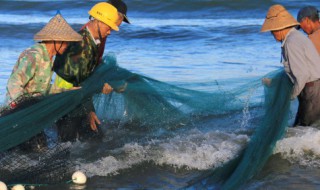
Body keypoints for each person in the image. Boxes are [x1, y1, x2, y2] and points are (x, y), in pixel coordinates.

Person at [5, 12, 82, 151]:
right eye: (66, 42)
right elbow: (14, 83)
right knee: (34, 150)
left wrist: (66, 91)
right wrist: (22, 108)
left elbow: (43, 89)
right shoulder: (34, 55)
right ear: (55, 40)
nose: (68, 46)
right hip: (19, 114)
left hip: (34, 112)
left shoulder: (49, 58)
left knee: (40, 150)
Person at [53, 2, 123, 142]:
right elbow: (79, 82)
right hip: (66, 100)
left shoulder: (91, 41)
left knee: (92, 139)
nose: (109, 32)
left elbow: (86, 76)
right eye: (108, 27)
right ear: (97, 21)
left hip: (76, 98)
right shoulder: (82, 45)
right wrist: (90, 110)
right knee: (67, 145)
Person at [261, 4, 320, 126]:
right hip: (313, 89)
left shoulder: (291, 42)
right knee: (305, 130)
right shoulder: (296, 37)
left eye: (272, 31)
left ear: (279, 28)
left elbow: (302, 75)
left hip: (312, 91)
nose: (272, 34)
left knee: (304, 131)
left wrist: (291, 95)